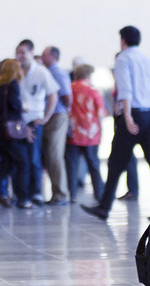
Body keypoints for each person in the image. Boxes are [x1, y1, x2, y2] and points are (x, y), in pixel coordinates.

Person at [81, 26, 150, 220]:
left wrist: (128, 117)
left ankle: (104, 207)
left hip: (133, 115)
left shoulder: (123, 58)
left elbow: (125, 90)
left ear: (123, 40)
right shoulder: (149, 60)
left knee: (116, 161)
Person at [15, 39, 59, 206]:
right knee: (20, 159)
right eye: (17, 53)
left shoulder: (40, 72)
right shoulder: (15, 71)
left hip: (34, 120)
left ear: (31, 53)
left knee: (34, 158)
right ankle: (21, 195)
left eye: (22, 53)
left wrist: (46, 117)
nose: (19, 56)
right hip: (18, 122)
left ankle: (36, 192)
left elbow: (53, 94)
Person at [0, 59, 32, 208]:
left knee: (6, 165)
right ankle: (23, 198)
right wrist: (23, 107)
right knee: (23, 163)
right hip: (11, 134)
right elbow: (15, 106)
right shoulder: (13, 85)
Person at [65, 64, 106, 203]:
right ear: (89, 75)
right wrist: (101, 133)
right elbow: (100, 114)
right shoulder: (93, 90)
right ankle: (99, 194)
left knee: (71, 165)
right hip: (91, 133)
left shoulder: (69, 88)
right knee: (93, 165)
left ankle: (72, 195)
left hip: (72, 132)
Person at [41, 46, 73, 205]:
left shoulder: (58, 73)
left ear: (53, 56)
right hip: (53, 116)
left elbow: (67, 96)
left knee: (55, 155)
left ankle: (61, 194)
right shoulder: (49, 72)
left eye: (44, 54)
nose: (42, 56)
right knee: (50, 155)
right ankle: (57, 193)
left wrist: (65, 113)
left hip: (57, 116)